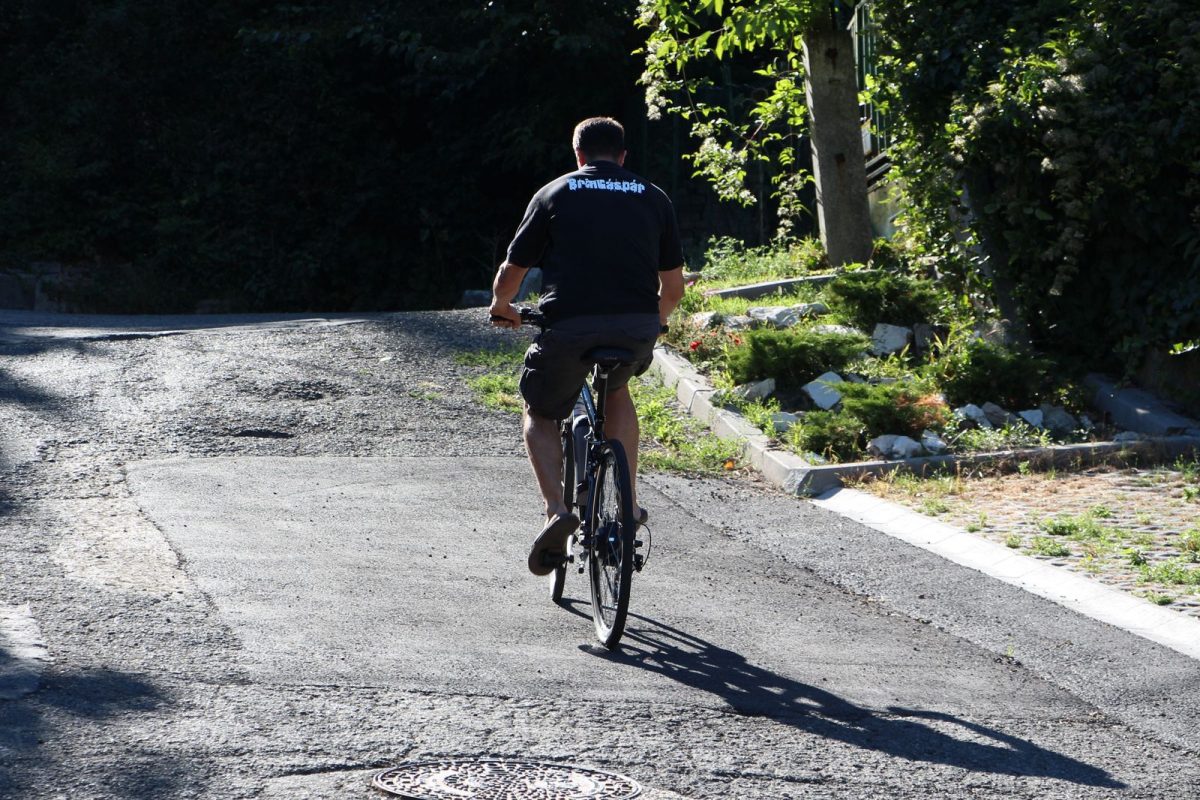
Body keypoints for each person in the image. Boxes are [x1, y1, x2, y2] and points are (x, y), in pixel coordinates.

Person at [489, 116, 686, 576]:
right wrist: (656, 321)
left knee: (540, 411)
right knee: (617, 390)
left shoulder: (555, 192)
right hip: (635, 327)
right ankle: (629, 506)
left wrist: (502, 306)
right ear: (623, 156)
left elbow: (513, 270)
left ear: (578, 154)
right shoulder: (654, 196)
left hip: (570, 326)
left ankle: (557, 510)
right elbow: (673, 288)